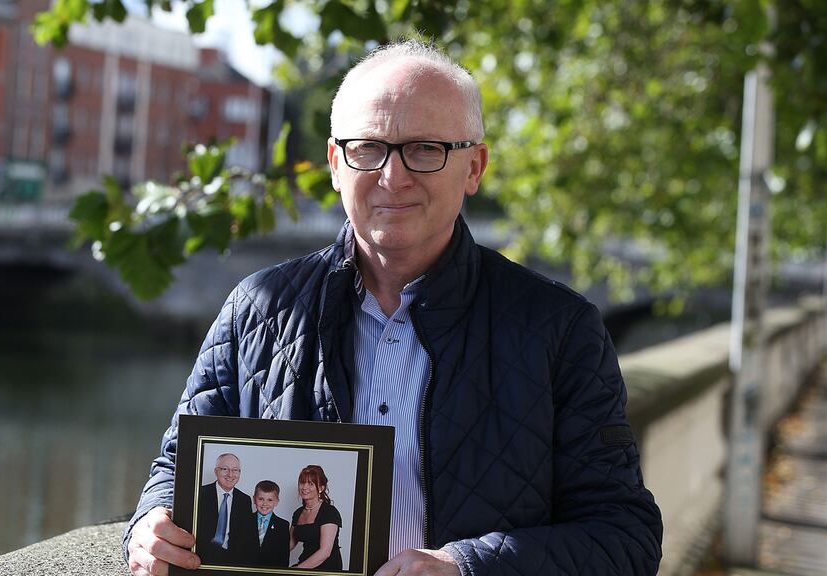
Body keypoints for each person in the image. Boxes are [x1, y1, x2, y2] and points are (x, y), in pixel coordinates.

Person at [125, 39, 662, 576]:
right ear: (336, 164)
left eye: (425, 149)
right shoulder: (256, 311)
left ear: (474, 167)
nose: (393, 176)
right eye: (367, 148)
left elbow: (624, 536)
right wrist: (151, 524)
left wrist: (464, 567)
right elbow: (177, 468)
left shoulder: (560, 328)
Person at [193, 453, 254, 564]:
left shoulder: (244, 500)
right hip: (201, 556)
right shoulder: (199, 494)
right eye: (225, 469)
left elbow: (245, 536)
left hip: (233, 559)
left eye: (235, 470)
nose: (230, 474)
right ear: (216, 472)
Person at [289, 465, 343, 570]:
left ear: (321, 488)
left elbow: (325, 552)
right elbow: (289, 544)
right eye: (302, 483)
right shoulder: (298, 513)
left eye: (310, 484)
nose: (304, 487)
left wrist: (298, 569)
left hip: (327, 568)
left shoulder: (329, 512)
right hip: (305, 563)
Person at [240, 480, 291, 567]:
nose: (264, 504)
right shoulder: (243, 521)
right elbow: (237, 552)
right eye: (261, 499)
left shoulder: (283, 525)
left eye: (270, 500)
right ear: (254, 499)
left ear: (276, 502)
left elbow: (284, 558)